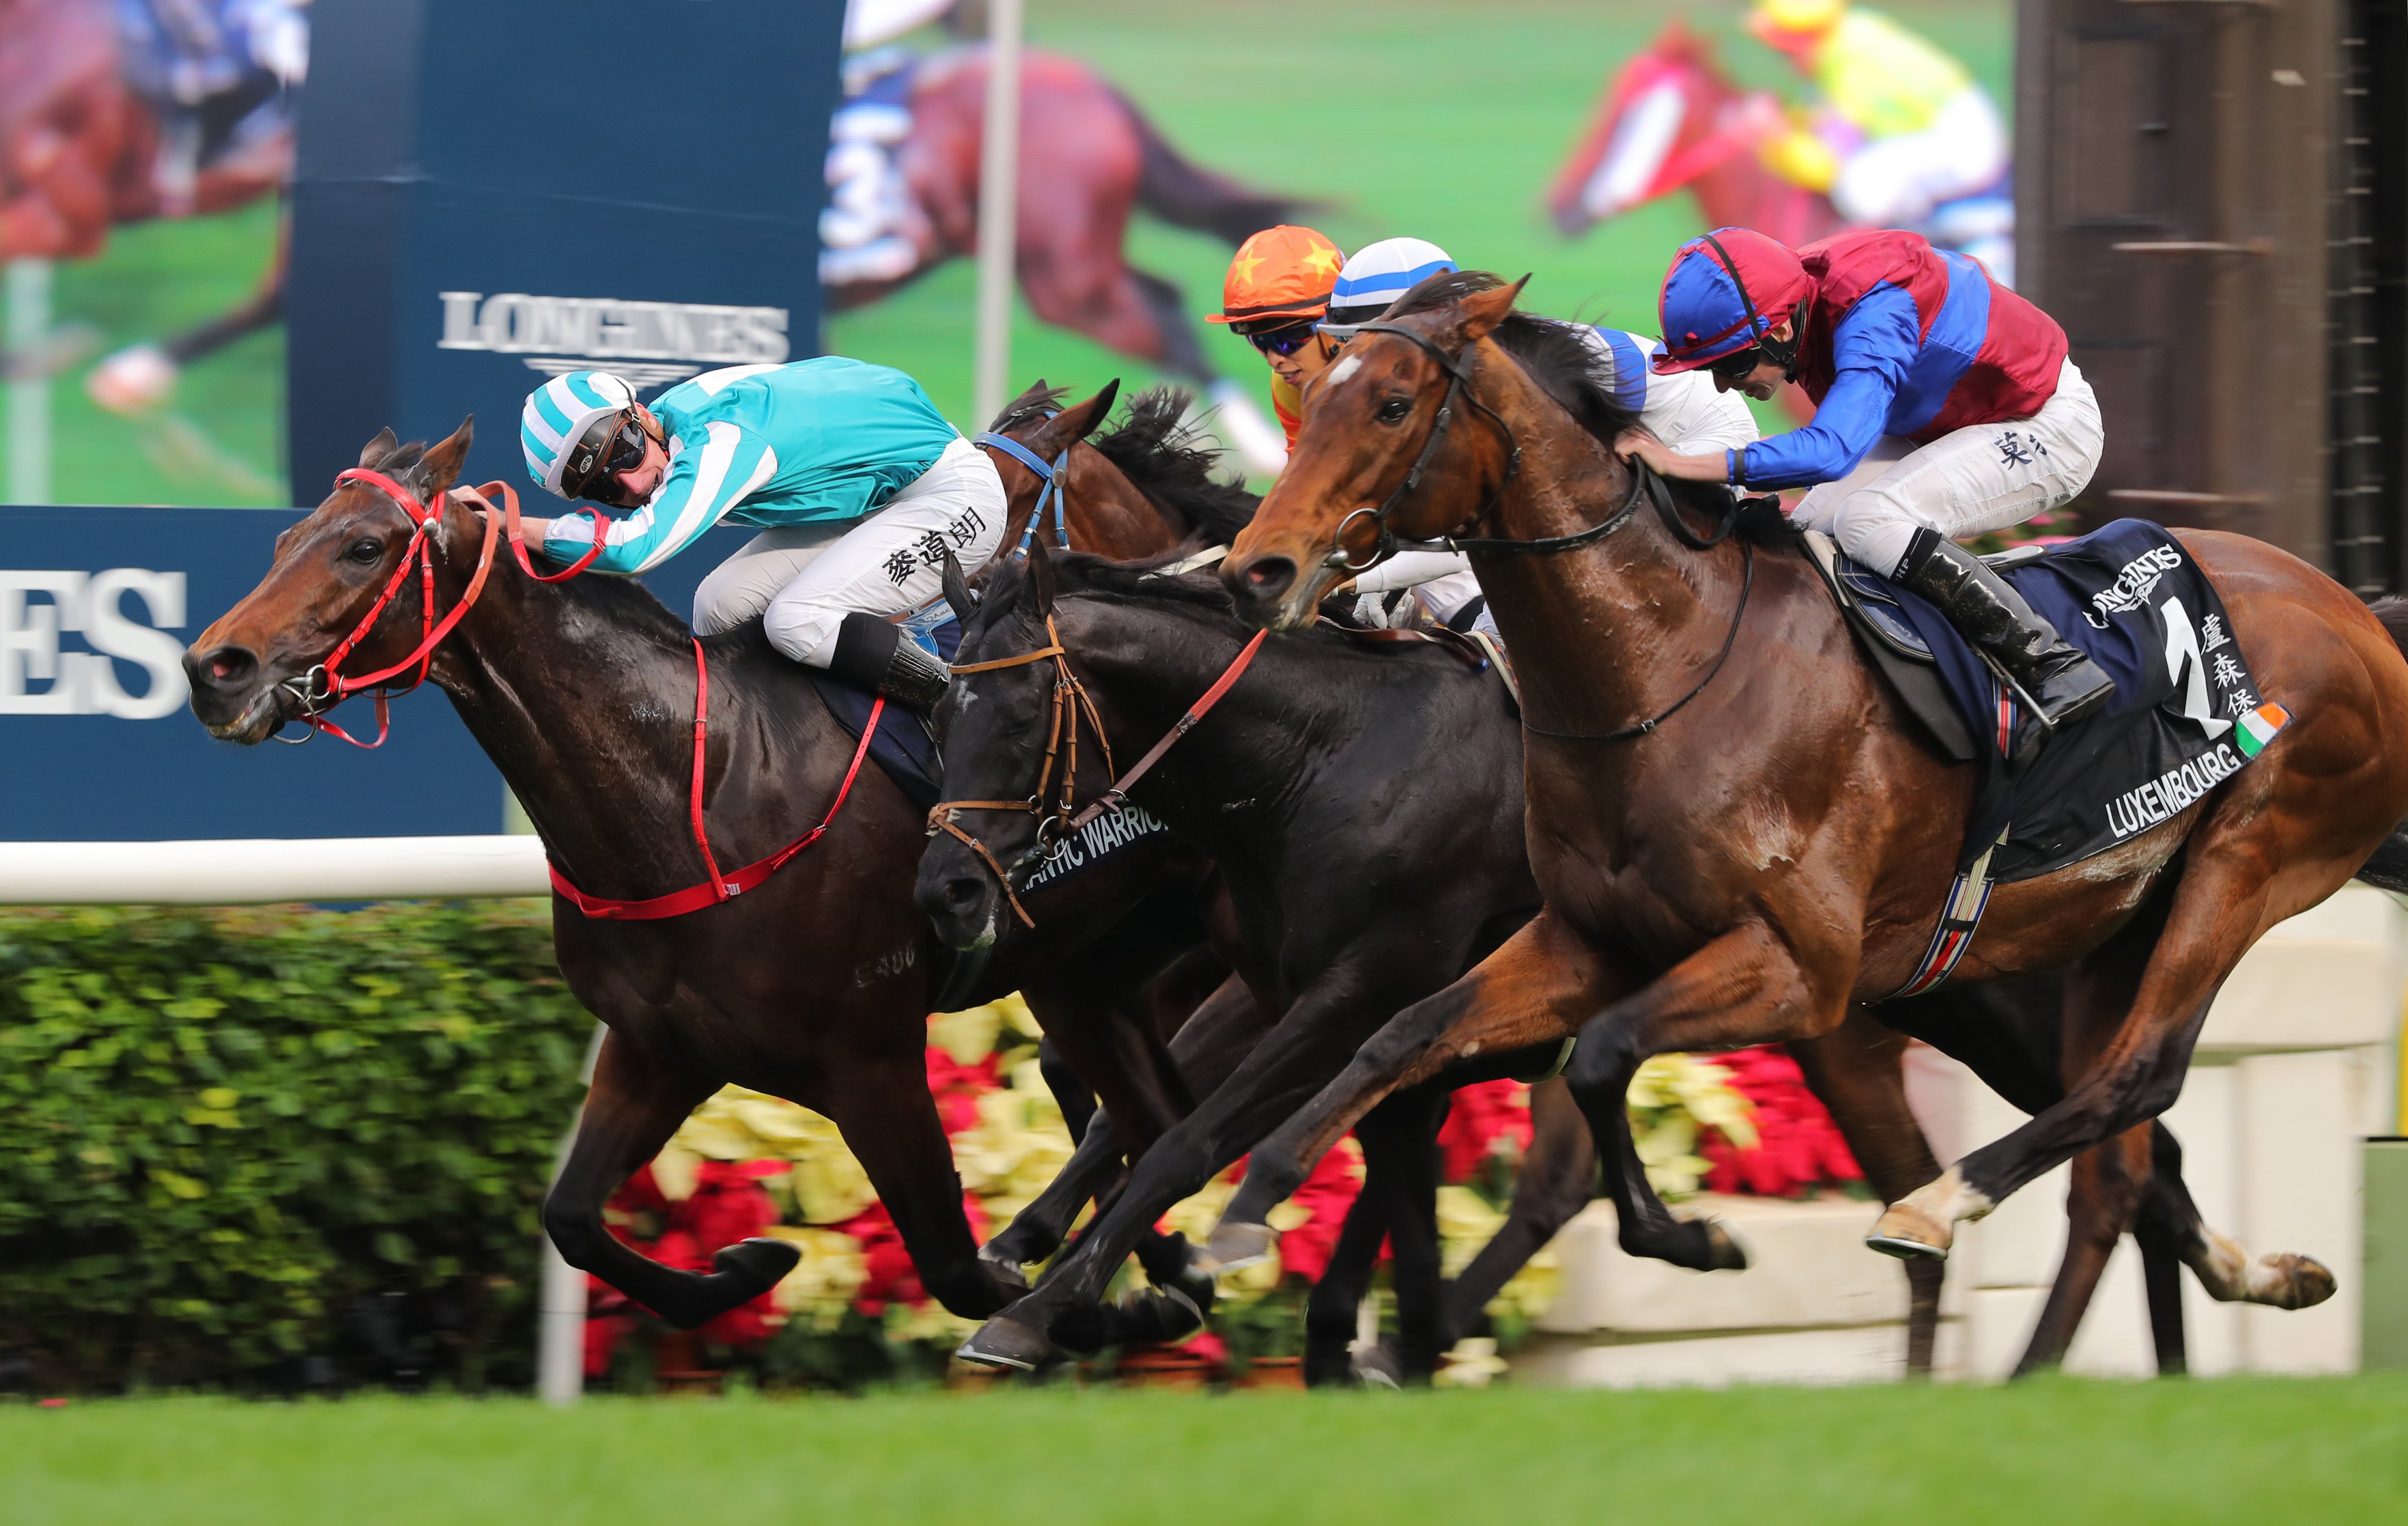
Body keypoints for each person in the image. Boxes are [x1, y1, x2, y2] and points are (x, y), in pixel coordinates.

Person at [1627, 225, 2112, 732]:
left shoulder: (1877, 312)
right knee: (1807, 536)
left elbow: (1833, 451)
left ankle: (2050, 664)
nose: (1725, 386)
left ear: (1779, 332)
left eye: (1730, 364)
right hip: (1937, 424)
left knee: (1869, 521)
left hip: (2047, 425)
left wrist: (1682, 463)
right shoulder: (1792, 295)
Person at [1316, 237, 1760, 633]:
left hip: (1702, 438)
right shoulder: (1461, 372)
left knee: (1511, 628)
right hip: (1641, 441)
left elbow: (1478, 534)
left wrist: (1357, 576)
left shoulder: (1508, 379)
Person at [516, 359, 1008, 709]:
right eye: (602, 486)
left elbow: (635, 549)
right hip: (873, 498)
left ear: (641, 414)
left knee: (795, 620)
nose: (632, 482)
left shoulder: (721, 436)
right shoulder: (674, 424)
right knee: (718, 605)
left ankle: (969, 709)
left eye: (623, 451)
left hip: (951, 496)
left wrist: (512, 527)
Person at [1745, 0, 2007, 236]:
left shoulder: (1851, 60)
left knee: (1861, 184)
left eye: (1786, 53)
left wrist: (1778, 138)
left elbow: (1830, 165)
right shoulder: (1850, 37)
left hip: (1964, 144)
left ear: (1804, 40)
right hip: (1953, 135)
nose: (1787, 64)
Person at [1207, 223, 1347, 462]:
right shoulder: (1287, 389)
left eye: (1286, 341)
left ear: (1336, 323)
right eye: (1259, 342)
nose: (1274, 360)